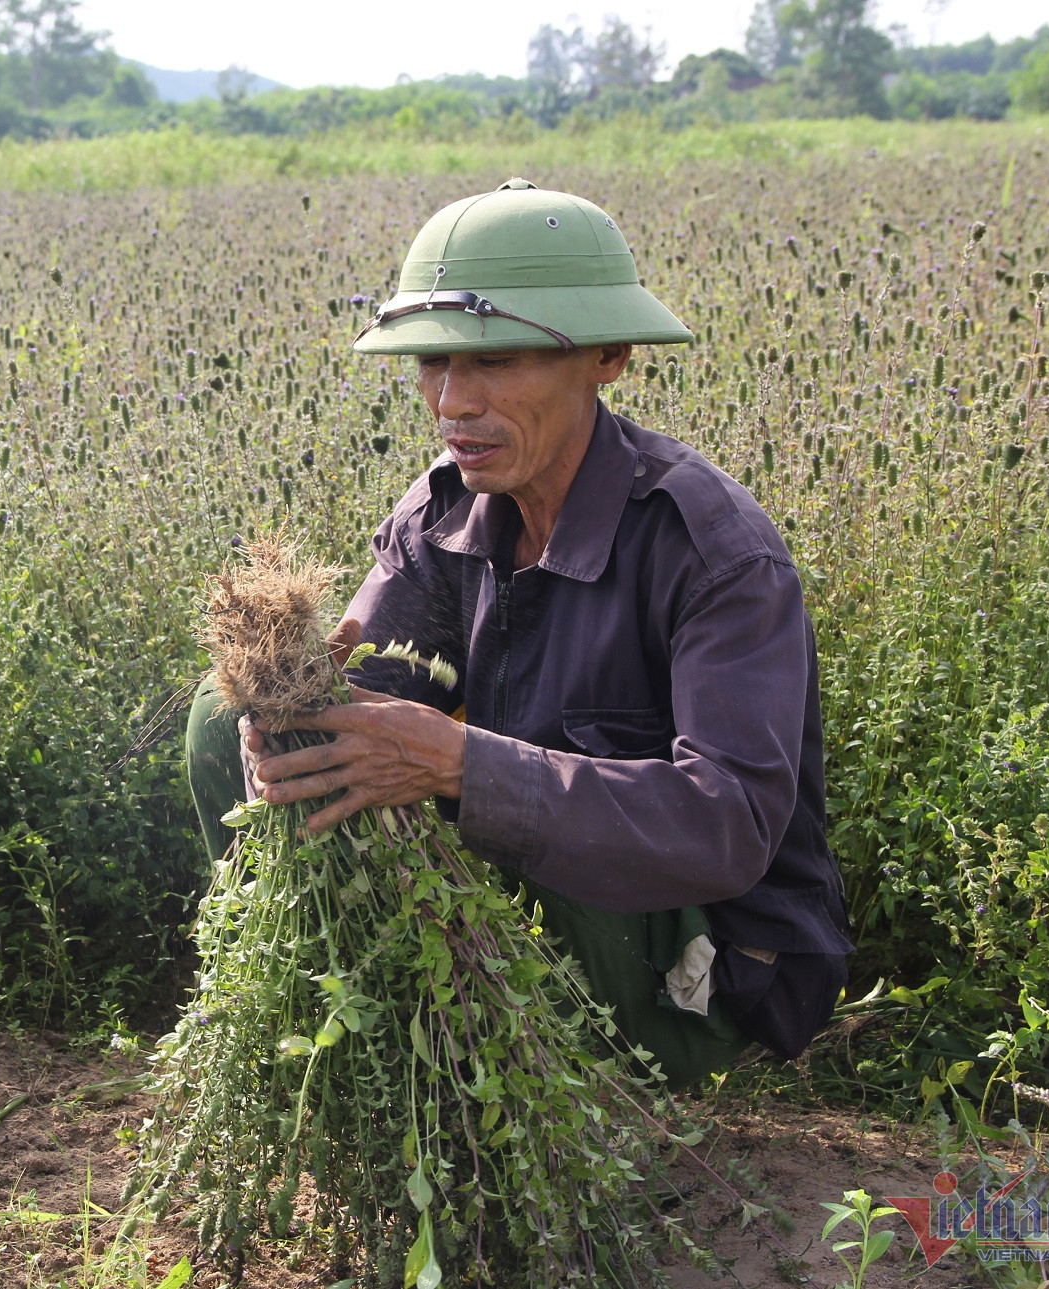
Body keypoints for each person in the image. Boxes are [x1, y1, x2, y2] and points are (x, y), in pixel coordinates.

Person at [185, 179, 854, 1088]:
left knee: (516, 809)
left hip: (703, 961)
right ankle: (354, 1058)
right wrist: (292, 729)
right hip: (534, 922)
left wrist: (459, 764)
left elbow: (726, 826)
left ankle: (565, 1098)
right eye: (432, 364)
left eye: (496, 360)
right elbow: (370, 701)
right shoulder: (448, 510)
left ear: (607, 356)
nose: (452, 401)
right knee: (238, 715)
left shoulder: (715, 555)